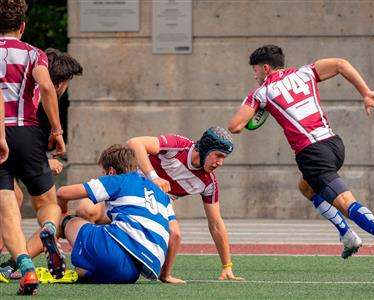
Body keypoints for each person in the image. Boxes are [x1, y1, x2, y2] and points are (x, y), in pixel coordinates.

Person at [228, 45, 374, 272]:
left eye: (255, 70)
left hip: (311, 153)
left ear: (265, 68)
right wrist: (366, 93)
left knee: (345, 203)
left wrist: (259, 110)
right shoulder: (304, 73)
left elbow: (235, 126)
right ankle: (347, 236)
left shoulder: (261, 93)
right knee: (306, 187)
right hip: (334, 145)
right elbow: (341, 64)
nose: (254, 76)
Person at [77, 126, 242, 283]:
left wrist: (227, 266)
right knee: (86, 210)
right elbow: (135, 143)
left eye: (224, 158)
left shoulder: (208, 183)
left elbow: (216, 224)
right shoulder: (179, 145)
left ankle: (164, 274)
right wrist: (153, 177)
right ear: (206, 149)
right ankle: (89, 256)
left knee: (174, 232)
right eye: (218, 156)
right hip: (129, 192)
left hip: (155, 209)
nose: (220, 162)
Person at [0, 0, 65, 294]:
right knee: (48, 203)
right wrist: (57, 129)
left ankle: (25, 267)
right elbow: (48, 87)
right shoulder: (33, 54)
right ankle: (49, 230)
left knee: (7, 206)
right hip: (27, 131)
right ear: (22, 26)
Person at [0, 48, 83, 254]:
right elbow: (22, 143)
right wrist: (56, 136)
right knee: (48, 207)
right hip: (12, 139)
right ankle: (18, 259)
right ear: (59, 83)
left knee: (14, 197)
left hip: (9, 141)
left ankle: (16, 260)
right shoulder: (36, 97)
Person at [55, 144, 175, 283]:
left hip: (112, 250)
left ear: (111, 171)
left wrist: (63, 213)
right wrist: (166, 275)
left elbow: (62, 193)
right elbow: (175, 233)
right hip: (130, 273)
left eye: (104, 171)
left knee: (62, 221)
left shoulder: (119, 180)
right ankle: (81, 270)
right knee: (86, 270)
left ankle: (26, 263)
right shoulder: (161, 192)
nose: (103, 175)